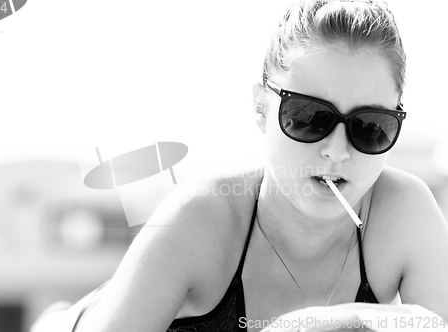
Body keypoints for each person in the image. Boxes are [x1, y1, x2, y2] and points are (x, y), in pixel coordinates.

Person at [31, 0, 448, 331]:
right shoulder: (197, 216)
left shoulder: (404, 212)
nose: (337, 151)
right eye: (307, 117)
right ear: (261, 108)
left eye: (370, 126)